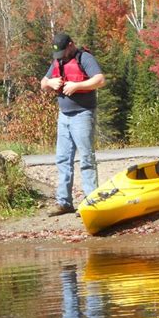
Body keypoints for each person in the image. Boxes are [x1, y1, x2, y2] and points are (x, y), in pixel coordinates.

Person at [41, 33, 105, 216]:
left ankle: (91, 202)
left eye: (63, 51)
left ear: (71, 45)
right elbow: (43, 83)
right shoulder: (58, 61)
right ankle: (64, 202)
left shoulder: (85, 58)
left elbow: (100, 80)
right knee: (62, 159)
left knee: (86, 158)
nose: (60, 56)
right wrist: (50, 82)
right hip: (64, 116)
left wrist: (77, 86)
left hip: (83, 115)